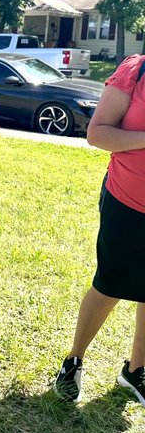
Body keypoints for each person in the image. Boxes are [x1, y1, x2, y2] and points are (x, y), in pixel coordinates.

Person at [53, 51, 145, 404]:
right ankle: (74, 360)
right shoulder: (135, 70)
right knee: (110, 284)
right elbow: (98, 133)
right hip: (127, 200)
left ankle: (136, 371)